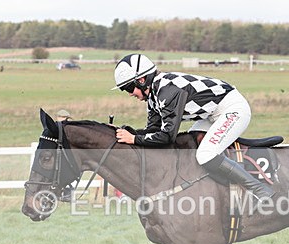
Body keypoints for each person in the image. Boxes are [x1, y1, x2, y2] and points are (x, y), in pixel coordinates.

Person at [112, 53, 273, 200]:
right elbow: (152, 132)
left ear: (142, 80)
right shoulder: (154, 96)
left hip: (233, 109)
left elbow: (167, 136)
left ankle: (260, 190)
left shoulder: (167, 91)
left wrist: (134, 138)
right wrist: (130, 134)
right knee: (188, 146)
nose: (130, 94)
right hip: (212, 114)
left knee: (205, 154)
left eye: (128, 88)